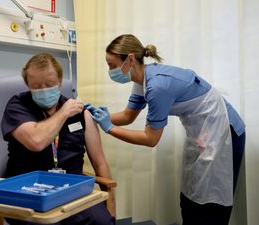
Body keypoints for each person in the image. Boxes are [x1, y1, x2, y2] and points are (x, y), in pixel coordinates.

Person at [86, 34, 245, 225]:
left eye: (112, 65)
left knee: (211, 199)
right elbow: (129, 115)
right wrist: (97, 116)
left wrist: (109, 128)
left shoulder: (157, 86)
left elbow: (150, 139)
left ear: (129, 59)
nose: (110, 71)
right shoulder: (141, 79)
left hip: (223, 129)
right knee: (192, 194)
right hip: (202, 131)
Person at [1, 52, 115, 225]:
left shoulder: (81, 114)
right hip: (27, 193)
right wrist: (64, 113)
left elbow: (100, 163)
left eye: (49, 84)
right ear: (28, 85)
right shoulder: (17, 106)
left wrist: (110, 204)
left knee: (103, 221)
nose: (44, 90)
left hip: (72, 191)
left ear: (60, 82)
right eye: (37, 86)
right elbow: (36, 142)